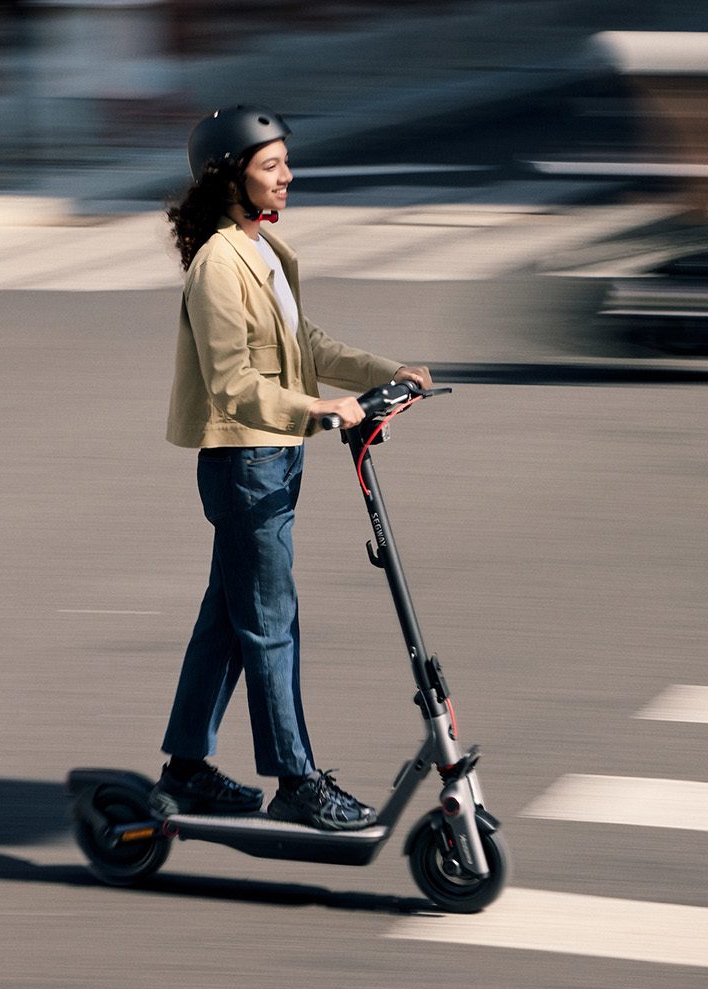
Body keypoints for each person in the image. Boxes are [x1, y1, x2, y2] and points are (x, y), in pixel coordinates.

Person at [153, 105, 433, 831]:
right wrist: (320, 407)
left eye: (285, 162)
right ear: (230, 178)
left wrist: (385, 371)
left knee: (230, 616)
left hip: (274, 456)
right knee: (270, 621)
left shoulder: (265, 251)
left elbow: (304, 342)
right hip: (246, 460)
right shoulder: (218, 265)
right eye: (271, 164)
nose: (287, 175)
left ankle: (186, 769)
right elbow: (231, 384)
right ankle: (295, 778)